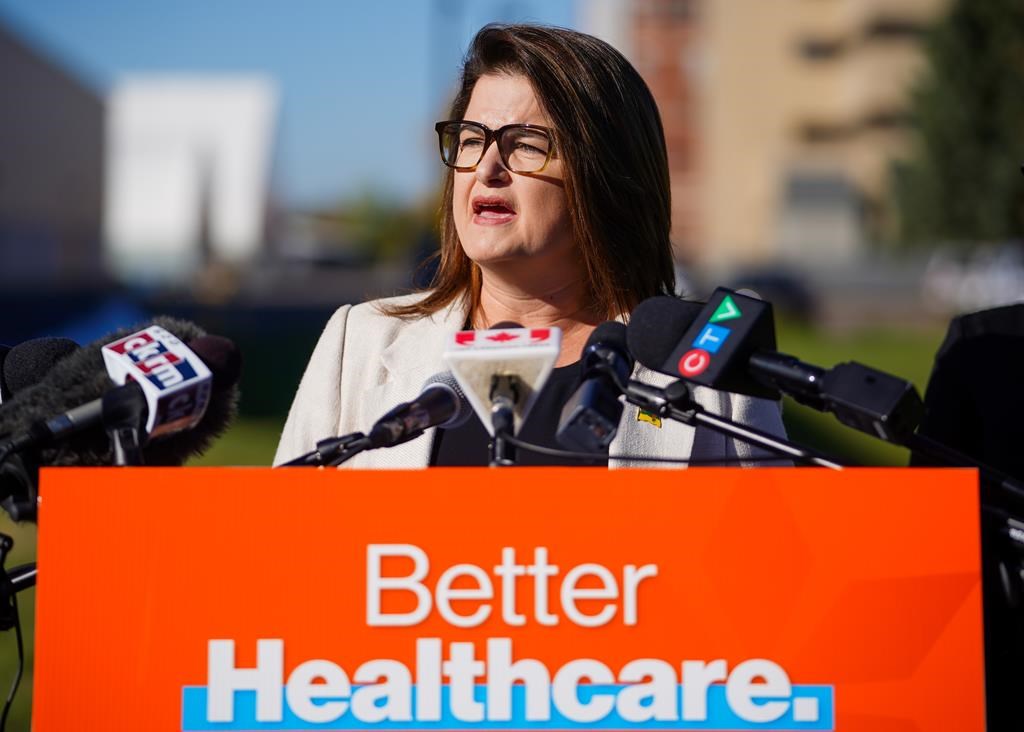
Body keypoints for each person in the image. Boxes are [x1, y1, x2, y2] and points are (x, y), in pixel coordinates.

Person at [274, 23, 786, 468]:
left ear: (607, 175)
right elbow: (282, 547)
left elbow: (770, 557)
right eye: (472, 138)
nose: (487, 169)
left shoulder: (707, 361)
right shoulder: (359, 344)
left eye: (526, 143)